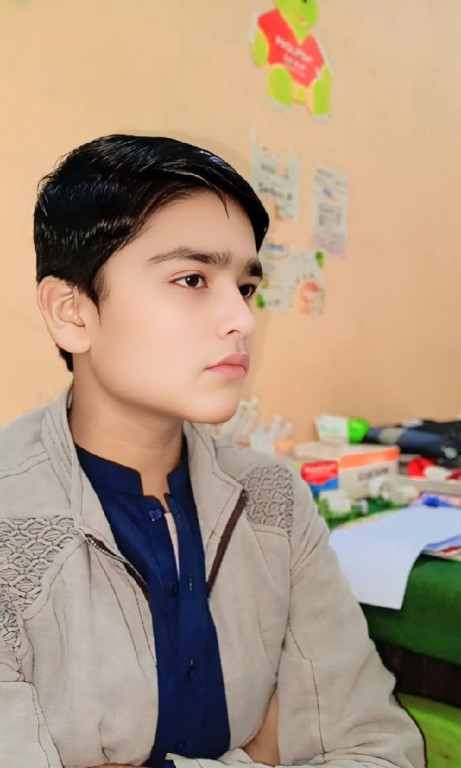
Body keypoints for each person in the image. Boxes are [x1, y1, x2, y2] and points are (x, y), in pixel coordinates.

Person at [0, 134, 425, 768]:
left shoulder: (274, 501)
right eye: (192, 278)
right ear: (73, 312)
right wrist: (257, 759)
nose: (243, 320)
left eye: (246, 286)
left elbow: (379, 748)